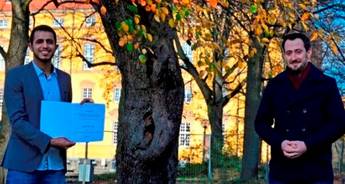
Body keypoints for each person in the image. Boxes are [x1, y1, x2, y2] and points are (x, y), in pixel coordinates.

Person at [255, 32, 345, 184]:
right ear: (284, 55)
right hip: (281, 172)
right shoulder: (274, 85)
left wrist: (308, 144)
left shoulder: (326, 84)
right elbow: (261, 123)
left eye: (298, 51)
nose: (293, 57)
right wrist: (280, 142)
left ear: (308, 52)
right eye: (289, 53)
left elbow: (339, 124)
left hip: (317, 172)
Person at [2, 25, 76, 184]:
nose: (45, 46)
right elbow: (18, 122)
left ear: (55, 47)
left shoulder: (65, 79)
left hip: (55, 166)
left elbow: (65, 116)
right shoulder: (16, 76)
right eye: (39, 41)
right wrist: (49, 141)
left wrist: (82, 110)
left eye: (49, 42)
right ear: (30, 46)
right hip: (23, 165)